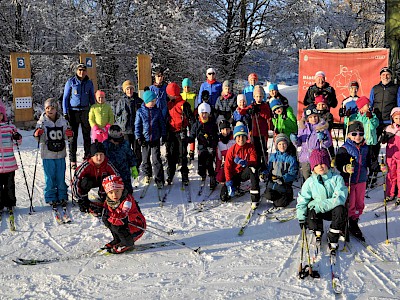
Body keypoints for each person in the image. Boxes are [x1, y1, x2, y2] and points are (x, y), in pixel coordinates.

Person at [296, 148, 348, 252]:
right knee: (311, 210)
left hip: (332, 210)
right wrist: (301, 217)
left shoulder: (337, 178)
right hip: (318, 211)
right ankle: (317, 231)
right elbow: (303, 199)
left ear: (328, 164)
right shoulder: (310, 181)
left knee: (340, 209)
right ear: (313, 167)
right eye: (316, 164)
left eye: (323, 163)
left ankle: (333, 234)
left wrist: (320, 205)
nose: (320, 166)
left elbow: (340, 198)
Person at [34, 98, 74, 206]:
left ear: (56, 109)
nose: (50, 110)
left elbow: (67, 136)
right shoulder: (42, 122)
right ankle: (51, 196)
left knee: (60, 176)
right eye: (47, 108)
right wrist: (38, 134)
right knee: (50, 177)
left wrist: (69, 134)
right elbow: (39, 138)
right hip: (47, 154)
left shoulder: (63, 121)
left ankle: (62, 195)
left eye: (52, 108)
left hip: (60, 153)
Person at [336, 121, 371, 241]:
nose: (358, 136)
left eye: (360, 133)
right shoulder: (344, 148)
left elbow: (371, 161)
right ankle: (344, 223)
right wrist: (345, 168)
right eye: (354, 133)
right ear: (348, 135)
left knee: (359, 203)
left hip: (361, 180)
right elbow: (339, 162)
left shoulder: (366, 147)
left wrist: (379, 167)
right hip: (348, 180)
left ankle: (354, 222)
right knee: (349, 202)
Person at [101, 175, 146, 254]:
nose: (114, 195)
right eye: (111, 192)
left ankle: (127, 243)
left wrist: (111, 217)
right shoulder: (109, 201)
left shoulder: (127, 201)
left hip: (136, 226)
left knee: (116, 223)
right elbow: (106, 211)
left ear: (122, 189)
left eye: (117, 191)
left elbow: (123, 215)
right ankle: (118, 239)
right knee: (108, 221)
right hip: (125, 225)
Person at [62, 63, 95, 169]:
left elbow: (92, 98)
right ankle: (73, 160)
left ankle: (87, 156)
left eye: (84, 70)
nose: (82, 72)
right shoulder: (71, 82)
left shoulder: (89, 83)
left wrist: (93, 111)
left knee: (87, 136)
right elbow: (65, 98)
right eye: (80, 70)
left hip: (85, 111)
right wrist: (65, 112)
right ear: (76, 71)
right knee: (73, 137)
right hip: (73, 112)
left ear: (86, 72)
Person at [72, 141, 119, 215]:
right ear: (92, 156)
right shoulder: (86, 164)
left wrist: (117, 194)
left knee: (108, 179)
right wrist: (78, 196)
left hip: (102, 182)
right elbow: (76, 179)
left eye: (101, 154)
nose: (99, 157)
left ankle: (103, 195)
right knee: (85, 182)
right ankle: (84, 198)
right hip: (90, 182)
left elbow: (117, 177)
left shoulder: (107, 164)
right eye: (96, 155)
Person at [222, 122, 260, 208]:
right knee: (224, 197)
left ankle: (255, 198)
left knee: (253, 169)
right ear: (235, 138)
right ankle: (235, 187)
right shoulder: (232, 150)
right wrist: (228, 181)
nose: (241, 139)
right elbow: (227, 166)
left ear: (246, 137)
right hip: (234, 175)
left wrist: (246, 163)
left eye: (243, 136)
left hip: (245, 173)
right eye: (238, 136)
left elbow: (254, 161)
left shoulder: (250, 147)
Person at [291, 104, 332, 180]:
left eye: (315, 116)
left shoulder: (322, 127)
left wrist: (324, 138)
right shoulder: (303, 128)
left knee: (317, 179)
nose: (313, 119)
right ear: (307, 118)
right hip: (305, 158)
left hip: (318, 159)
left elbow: (328, 144)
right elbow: (299, 144)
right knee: (306, 179)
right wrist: (295, 140)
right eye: (310, 117)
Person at [134, 90, 166, 188]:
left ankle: (159, 179)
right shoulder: (140, 111)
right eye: (152, 101)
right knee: (145, 158)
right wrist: (139, 137)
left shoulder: (157, 111)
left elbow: (162, 124)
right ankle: (147, 174)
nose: (154, 103)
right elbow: (137, 125)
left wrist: (163, 135)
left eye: (155, 101)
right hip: (145, 139)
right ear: (147, 101)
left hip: (155, 138)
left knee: (156, 159)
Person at [369, 67, 400, 168]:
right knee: (375, 144)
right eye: (383, 75)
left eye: (387, 75)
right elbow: (371, 103)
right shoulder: (375, 88)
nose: (385, 76)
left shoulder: (396, 88)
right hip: (377, 121)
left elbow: (399, 105)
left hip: (390, 122)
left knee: (392, 145)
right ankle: (373, 165)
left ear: (391, 76)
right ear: (380, 76)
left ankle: (392, 165)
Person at [165, 82, 194, 186]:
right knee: (171, 154)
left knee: (182, 154)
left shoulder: (183, 104)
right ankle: (170, 174)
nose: (168, 96)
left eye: (169, 94)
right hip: (171, 132)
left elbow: (191, 119)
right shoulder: (168, 104)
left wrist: (192, 133)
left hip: (181, 131)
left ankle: (184, 176)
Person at [238, 85, 272, 171]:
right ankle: (256, 165)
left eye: (260, 96)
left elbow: (267, 116)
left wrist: (259, 111)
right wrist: (247, 111)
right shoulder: (252, 105)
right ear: (254, 97)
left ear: (263, 96)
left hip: (263, 132)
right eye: (257, 96)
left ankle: (264, 165)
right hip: (254, 132)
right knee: (255, 149)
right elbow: (242, 111)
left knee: (263, 149)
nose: (258, 98)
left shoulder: (265, 106)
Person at [188, 102, 219, 189]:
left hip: (210, 147)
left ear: (209, 114)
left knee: (209, 163)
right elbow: (192, 136)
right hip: (201, 147)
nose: (204, 115)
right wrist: (186, 139)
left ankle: (212, 179)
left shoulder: (212, 124)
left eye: (206, 113)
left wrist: (213, 145)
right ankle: (202, 174)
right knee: (201, 165)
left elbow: (216, 137)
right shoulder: (196, 124)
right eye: (202, 113)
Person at [264, 134, 298, 208]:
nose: (282, 146)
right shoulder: (273, 157)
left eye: (284, 144)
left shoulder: (291, 158)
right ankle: (278, 197)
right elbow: (268, 169)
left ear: (287, 144)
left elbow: (293, 173)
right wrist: (264, 174)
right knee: (267, 195)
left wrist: (283, 178)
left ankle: (287, 196)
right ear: (276, 146)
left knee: (280, 204)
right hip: (273, 183)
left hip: (284, 184)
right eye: (279, 144)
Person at [115, 80, 143, 167]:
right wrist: (122, 124)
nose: (129, 91)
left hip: (136, 129)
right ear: (124, 90)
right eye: (127, 89)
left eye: (131, 89)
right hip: (125, 130)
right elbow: (117, 115)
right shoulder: (121, 101)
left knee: (136, 149)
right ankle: (127, 165)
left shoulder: (139, 100)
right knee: (126, 149)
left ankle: (136, 166)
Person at [0, 101, 22, 212]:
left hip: (9, 163)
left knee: (9, 185)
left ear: (3, 115)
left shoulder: (10, 127)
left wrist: (17, 137)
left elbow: (17, 143)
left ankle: (10, 203)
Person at [103, 125, 138, 194]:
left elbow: (131, 156)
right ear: (111, 139)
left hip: (124, 172)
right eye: (116, 140)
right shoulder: (105, 145)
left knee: (128, 192)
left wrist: (133, 167)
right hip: (111, 173)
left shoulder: (124, 144)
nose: (118, 142)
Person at [381, 107, 400, 204]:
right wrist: (383, 137)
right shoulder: (389, 128)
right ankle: (390, 193)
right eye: (396, 118)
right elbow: (384, 141)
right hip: (390, 156)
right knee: (391, 175)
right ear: (392, 118)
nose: (398, 120)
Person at [181, 78, 197, 161]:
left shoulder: (193, 96)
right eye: (185, 87)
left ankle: (192, 150)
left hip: (191, 117)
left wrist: (194, 116)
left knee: (192, 134)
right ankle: (183, 150)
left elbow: (196, 107)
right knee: (183, 134)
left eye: (188, 87)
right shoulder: (180, 96)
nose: (187, 89)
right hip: (183, 118)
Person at [215, 119, 236, 184]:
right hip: (226, 164)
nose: (225, 131)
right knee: (219, 178)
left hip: (234, 163)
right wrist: (217, 170)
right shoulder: (219, 142)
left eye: (227, 129)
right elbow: (219, 158)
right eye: (223, 129)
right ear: (220, 130)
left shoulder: (234, 139)